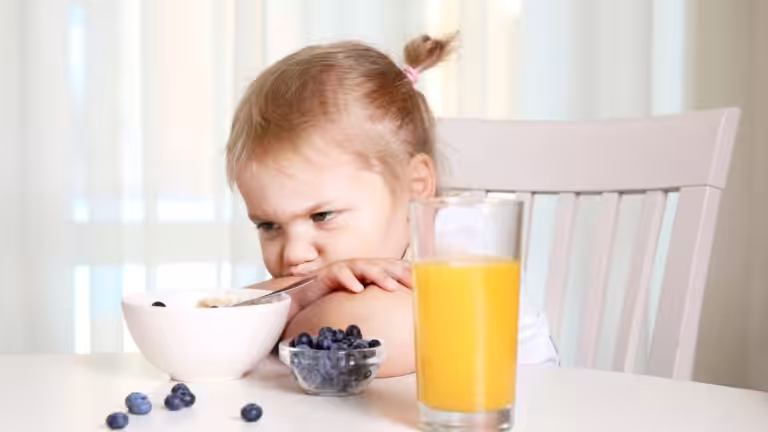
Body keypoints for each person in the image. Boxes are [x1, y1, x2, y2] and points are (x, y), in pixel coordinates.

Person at [225, 33, 558, 377]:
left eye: (322, 216)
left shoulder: (456, 246)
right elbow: (211, 322)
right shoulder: (325, 269)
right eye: (268, 226)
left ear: (415, 188)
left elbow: (363, 337)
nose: (293, 254)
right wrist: (307, 292)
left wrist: (281, 314)